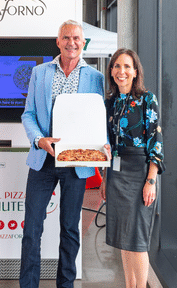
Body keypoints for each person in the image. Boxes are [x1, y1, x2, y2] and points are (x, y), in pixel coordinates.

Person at [19, 20, 105, 288]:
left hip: (76, 163)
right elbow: (28, 114)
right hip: (43, 159)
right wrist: (39, 139)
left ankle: (65, 284)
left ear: (83, 42)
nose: (71, 42)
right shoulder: (40, 73)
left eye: (76, 38)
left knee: (70, 229)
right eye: (66, 37)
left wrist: (102, 144)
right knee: (32, 228)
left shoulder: (96, 78)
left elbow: (98, 119)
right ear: (58, 42)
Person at [101, 48, 165, 288]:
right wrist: (105, 178)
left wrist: (151, 181)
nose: (122, 71)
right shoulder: (110, 102)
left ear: (136, 71)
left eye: (127, 66)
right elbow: (107, 143)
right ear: (111, 71)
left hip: (140, 172)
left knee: (137, 240)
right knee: (123, 239)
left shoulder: (148, 99)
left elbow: (156, 141)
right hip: (116, 173)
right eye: (117, 66)